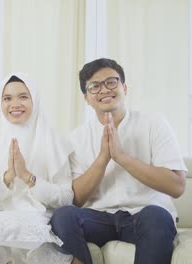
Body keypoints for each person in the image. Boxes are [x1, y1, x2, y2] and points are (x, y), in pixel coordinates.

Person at [50, 58, 187, 264]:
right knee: (62, 216)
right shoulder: (75, 139)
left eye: (111, 82)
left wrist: (122, 158)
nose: (104, 89)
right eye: (94, 86)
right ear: (86, 98)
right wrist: (103, 159)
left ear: (124, 87)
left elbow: (177, 186)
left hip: (145, 216)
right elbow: (75, 199)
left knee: (156, 216)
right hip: (98, 219)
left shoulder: (154, 124)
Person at [0, 72, 73, 263]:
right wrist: (8, 176)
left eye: (23, 97)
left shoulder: (53, 141)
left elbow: (66, 198)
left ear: (35, 100)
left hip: (39, 220)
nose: (15, 104)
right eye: (7, 98)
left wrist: (27, 177)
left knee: (30, 231)